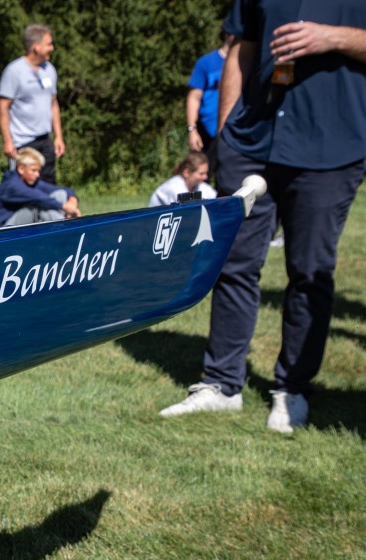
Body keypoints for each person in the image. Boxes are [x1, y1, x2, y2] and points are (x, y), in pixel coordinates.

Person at [160, 0, 366, 434]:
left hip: (332, 148)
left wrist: (334, 38)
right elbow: (241, 50)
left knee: (310, 271)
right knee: (233, 263)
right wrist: (229, 130)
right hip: (253, 144)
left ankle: (292, 389)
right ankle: (222, 384)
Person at [0, 24, 65, 184]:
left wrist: (59, 137)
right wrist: (7, 141)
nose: (52, 48)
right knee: (23, 188)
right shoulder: (14, 71)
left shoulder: (49, 70)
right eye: (48, 44)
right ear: (36, 47)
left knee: (48, 186)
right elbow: (3, 107)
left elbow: (53, 104)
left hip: (45, 139)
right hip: (22, 142)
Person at [0, 147, 79, 227]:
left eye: (38, 171)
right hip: (5, 228)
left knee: (60, 194)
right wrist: (65, 207)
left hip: (21, 221)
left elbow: (63, 190)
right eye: (33, 170)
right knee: (37, 207)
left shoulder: (31, 181)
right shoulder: (11, 185)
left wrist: (72, 202)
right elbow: (39, 198)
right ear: (21, 169)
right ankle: (65, 228)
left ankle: (64, 224)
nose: (37, 175)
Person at [186, 32, 232, 165]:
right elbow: (194, 97)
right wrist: (192, 130)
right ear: (226, 34)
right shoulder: (206, 63)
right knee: (200, 176)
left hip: (233, 132)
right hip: (206, 131)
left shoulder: (246, 62)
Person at [148, 150, 217, 207]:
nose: (205, 177)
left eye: (206, 173)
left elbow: (215, 199)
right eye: (201, 174)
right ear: (187, 173)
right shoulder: (174, 187)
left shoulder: (198, 185)